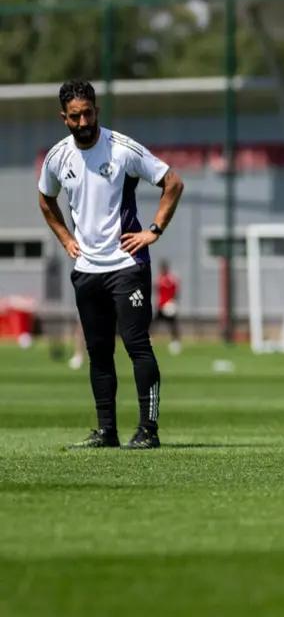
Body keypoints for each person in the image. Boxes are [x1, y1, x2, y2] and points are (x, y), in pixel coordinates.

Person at [37, 79, 185, 450]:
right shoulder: (57, 158)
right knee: (98, 351)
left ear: (97, 111)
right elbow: (45, 199)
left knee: (137, 344)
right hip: (87, 269)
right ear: (64, 118)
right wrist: (66, 239)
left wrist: (153, 230)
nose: (84, 121)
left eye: (89, 113)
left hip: (127, 263)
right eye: (75, 116)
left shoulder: (122, 149)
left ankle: (148, 431)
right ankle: (107, 432)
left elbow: (172, 182)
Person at [155, 260, 183, 355]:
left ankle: (176, 342)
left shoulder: (171, 278)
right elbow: (157, 290)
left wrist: (173, 302)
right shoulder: (159, 278)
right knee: (154, 323)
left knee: (173, 325)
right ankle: (146, 340)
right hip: (161, 306)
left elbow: (176, 290)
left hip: (169, 306)